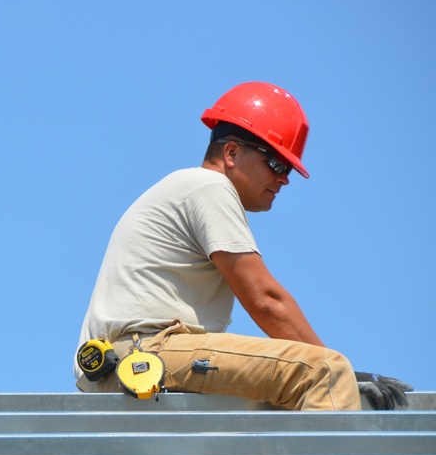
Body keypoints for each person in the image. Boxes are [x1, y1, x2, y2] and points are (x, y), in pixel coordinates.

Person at [75, 81, 411, 411]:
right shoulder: (208, 186)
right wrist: (343, 374)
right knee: (325, 372)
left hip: (127, 361)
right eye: (277, 164)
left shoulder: (187, 188)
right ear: (232, 152)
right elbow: (265, 300)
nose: (284, 178)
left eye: (289, 169)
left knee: (287, 394)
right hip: (146, 355)